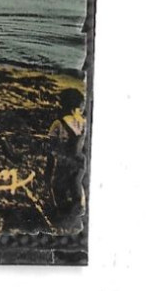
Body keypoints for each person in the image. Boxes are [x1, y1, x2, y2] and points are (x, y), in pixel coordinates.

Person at [45, 88, 87, 222]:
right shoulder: (83, 123)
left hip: (64, 161)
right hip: (79, 160)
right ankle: (76, 210)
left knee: (58, 186)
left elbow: (51, 144)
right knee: (75, 185)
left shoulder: (58, 123)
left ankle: (62, 214)